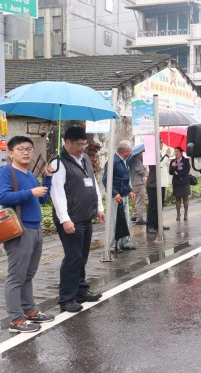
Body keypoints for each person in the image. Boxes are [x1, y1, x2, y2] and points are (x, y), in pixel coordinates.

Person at [0, 136, 55, 333]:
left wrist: (48, 177)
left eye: (29, 149)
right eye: (21, 149)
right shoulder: (6, 172)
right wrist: (31, 192)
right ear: (11, 152)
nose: (26, 152)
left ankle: (29, 311)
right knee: (16, 276)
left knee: (29, 274)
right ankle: (15, 320)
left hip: (36, 228)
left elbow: (43, 199)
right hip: (19, 229)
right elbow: (3, 196)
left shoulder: (30, 174)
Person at [50, 126, 105, 313]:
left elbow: (93, 183)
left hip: (85, 216)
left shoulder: (85, 159)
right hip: (71, 219)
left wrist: (99, 208)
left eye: (84, 144)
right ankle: (66, 299)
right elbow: (57, 194)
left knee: (82, 256)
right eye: (79, 144)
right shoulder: (58, 163)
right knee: (73, 258)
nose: (83, 147)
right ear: (67, 143)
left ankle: (81, 289)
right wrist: (65, 219)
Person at [102, 140, 136, 252]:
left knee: (125, 219)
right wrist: (114, 193)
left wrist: (130, 190)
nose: (131, 153)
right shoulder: (113, 162)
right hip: (116, 196)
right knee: (114, 220)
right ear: (125, 152)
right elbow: (106, 180)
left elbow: (125, 179)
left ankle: (125, 242)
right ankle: (112, 245)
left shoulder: (123, 161)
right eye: (130, 151)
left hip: (124, 194)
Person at [146, 144, 171, 234]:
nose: (161, 144)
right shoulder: (151, 154)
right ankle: (150, 226)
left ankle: (157, 224)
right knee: (153, 206)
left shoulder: (160, 153)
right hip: (153, 184)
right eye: (160, 142)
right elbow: (159, 165)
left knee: (160, 206)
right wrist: (167, 155)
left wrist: (166, 156)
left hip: (161, 184)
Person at [169, 147, 191, 221]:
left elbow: (186, 170)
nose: (176, 153)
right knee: (177, 198)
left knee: (185, 197)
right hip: (176, 182)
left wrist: (178, 173)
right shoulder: (173, 161)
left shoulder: (186, 161)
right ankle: (178, 214)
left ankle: (186, 214)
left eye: (177, 151)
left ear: (181, 152)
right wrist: (174, 166)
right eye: (175, 151)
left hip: (185, 181)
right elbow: (170, 172)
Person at [128, 151, 147, 225]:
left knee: (138, 200)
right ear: (139, 153)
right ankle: (139, 218)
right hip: (138, 182)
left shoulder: (133, 159)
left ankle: (135, 215)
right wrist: (145, 168)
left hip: (135, 182)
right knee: (140, 200)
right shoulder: (136, 160)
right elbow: (141, 171)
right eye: (143, 153)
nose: (143, 154)